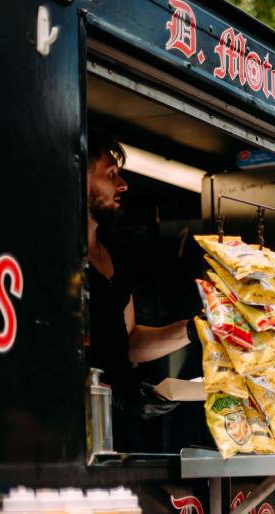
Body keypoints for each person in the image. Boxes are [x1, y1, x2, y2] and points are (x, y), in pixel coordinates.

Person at [86, 129, 195, 445]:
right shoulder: (58, 258)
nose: (123, 185)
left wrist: (194, 330)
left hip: (119, 432)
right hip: (78, 432)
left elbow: (129, 339)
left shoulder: (112, 256)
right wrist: (118, 394)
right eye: (111, 175)